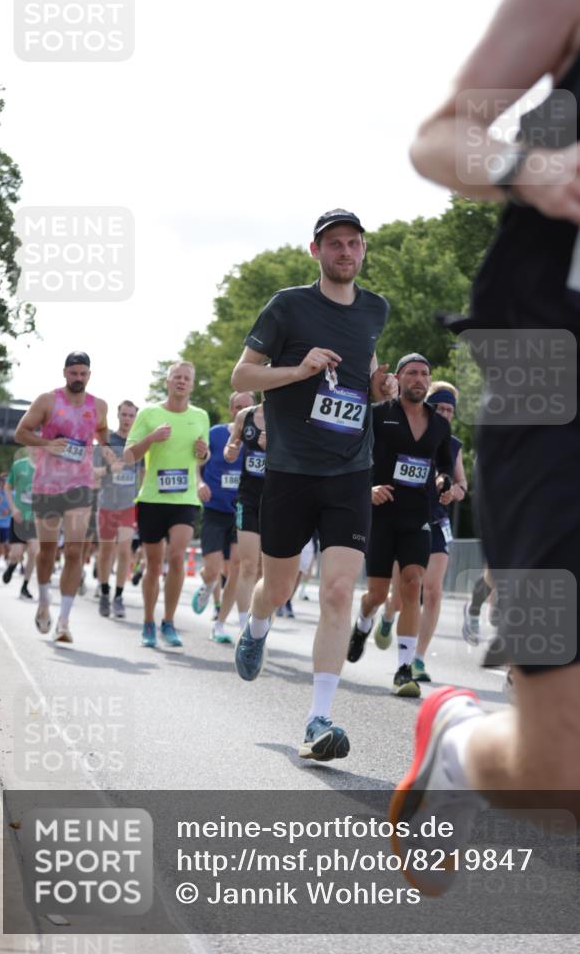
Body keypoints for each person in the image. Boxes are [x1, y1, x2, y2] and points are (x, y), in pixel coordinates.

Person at [391, 0, 580, 954]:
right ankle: (456, 741)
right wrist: (538, 169)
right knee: (572, 786)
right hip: (563, 393)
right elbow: (442, 133)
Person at [231, 208, 396, 761]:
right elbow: (242, 377)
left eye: (353, 244)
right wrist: (297, 371)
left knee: (337, 590)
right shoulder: (288, 306)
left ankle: (318, 718)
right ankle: (256, 626)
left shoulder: (376, 309)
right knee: (276, 589)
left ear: (363, 251)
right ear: (316, 251)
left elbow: (364, 377)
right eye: (335, 245)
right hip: (291, 469)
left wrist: (381, 384)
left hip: (351, 470)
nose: (345, 252)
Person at [346, 354, 452, 697]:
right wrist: (368, 489)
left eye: (424, 374)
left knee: (412, 585)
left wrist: (442, 481)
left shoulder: (439, 424)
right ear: (400, 378)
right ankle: (363, 624)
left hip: (418, 516)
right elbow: (353, 455)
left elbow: (444, 466)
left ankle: (403, 668)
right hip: (380, 514)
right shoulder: (379, 415)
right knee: (377, 594)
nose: (418, 379)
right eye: (411, 373)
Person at [14, 352, 108, 641]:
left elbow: (102, 434)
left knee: (74, 551)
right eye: (73, 373)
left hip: (79, 487)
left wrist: (102, 459)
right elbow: (21, 433)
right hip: (47, 486)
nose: (78, 378)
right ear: (65, 373)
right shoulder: (48, 401)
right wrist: (47, 444)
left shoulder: (99, 406)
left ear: (89, 375)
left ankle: (64, 622)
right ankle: (44, 602)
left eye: (83, 374)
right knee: (46, 552)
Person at [123, 361, 209, 648]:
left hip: (184, 499)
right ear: (168, 382)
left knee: (176, 556)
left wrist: (204, 452)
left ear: (192, 385)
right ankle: (148, 621)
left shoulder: (200, 416)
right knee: (153, 562)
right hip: (152, 498)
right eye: (176, 377)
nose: (181, 382)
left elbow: (202, 457)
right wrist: (152, 437)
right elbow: (129, 456)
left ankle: (169, 622)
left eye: (187, 378)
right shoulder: (149, 414)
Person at [412, 381, 468, 680]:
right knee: (402, 593)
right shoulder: (411, 433)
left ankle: (417, 659)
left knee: (432, 592)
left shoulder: (454, 444)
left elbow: (462, 485)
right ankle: (382, 617)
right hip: (406, 518)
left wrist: (453, 493)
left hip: (437, 522)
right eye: (440, 407)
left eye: (450, 409)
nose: (445, 413)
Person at [192, 391, 252, 642]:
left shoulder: (259, 437)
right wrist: (198, 483)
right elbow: (197, 461)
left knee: (236, 569)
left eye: (246, 407)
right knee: (214, 569)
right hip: (215, 508)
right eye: (237, 406)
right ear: (231, 410)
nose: (241, 411)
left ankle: (220, 623)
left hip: (241, 510)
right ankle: (206, 584)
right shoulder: (216, 433)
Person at [220, 401, 267, 634]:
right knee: (248, 565)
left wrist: (276, 446)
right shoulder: (245, 416)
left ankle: (261, 626)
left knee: (266, 572)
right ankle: (243, 627)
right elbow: (230, 450)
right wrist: (231, 450)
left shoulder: (292, 413)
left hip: (278, 501)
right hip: (248, 498)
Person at [96, 400, 140, 619]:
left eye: (131, 416)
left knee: (124, 551)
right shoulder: (107, 442)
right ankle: (104, 592)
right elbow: (91, 473)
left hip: (128, 506)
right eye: (124, 414)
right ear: (118, 415)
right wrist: (108, 469)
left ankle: (119, 596)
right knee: (106, 552)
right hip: (106, 504)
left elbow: (143, 473)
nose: (127, 419)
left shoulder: (138, 442)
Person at [2, 449, 38, 599]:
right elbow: (7, 487)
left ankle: (25, 586)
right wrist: (13, 508)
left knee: (33, 552)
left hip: (36, 519)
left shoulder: (46, 469)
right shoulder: (18, 466)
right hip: (18, 517)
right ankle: (12, 565)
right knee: (16, 553)